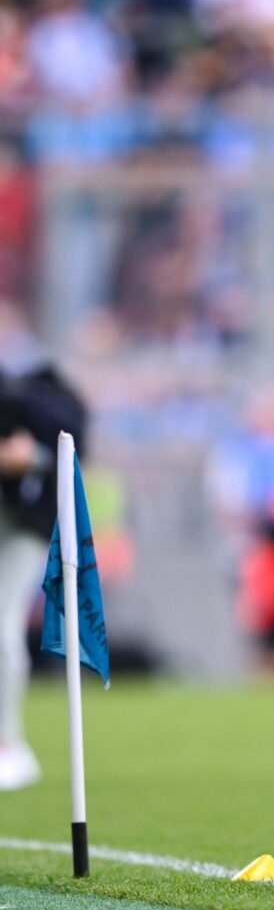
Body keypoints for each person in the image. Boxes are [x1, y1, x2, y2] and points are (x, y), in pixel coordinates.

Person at [0, 305, 87, 790]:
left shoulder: (37, 389)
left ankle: (8, 745)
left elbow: (69, 446)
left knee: (2, 625)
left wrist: (31, 458)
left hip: (19, 524)